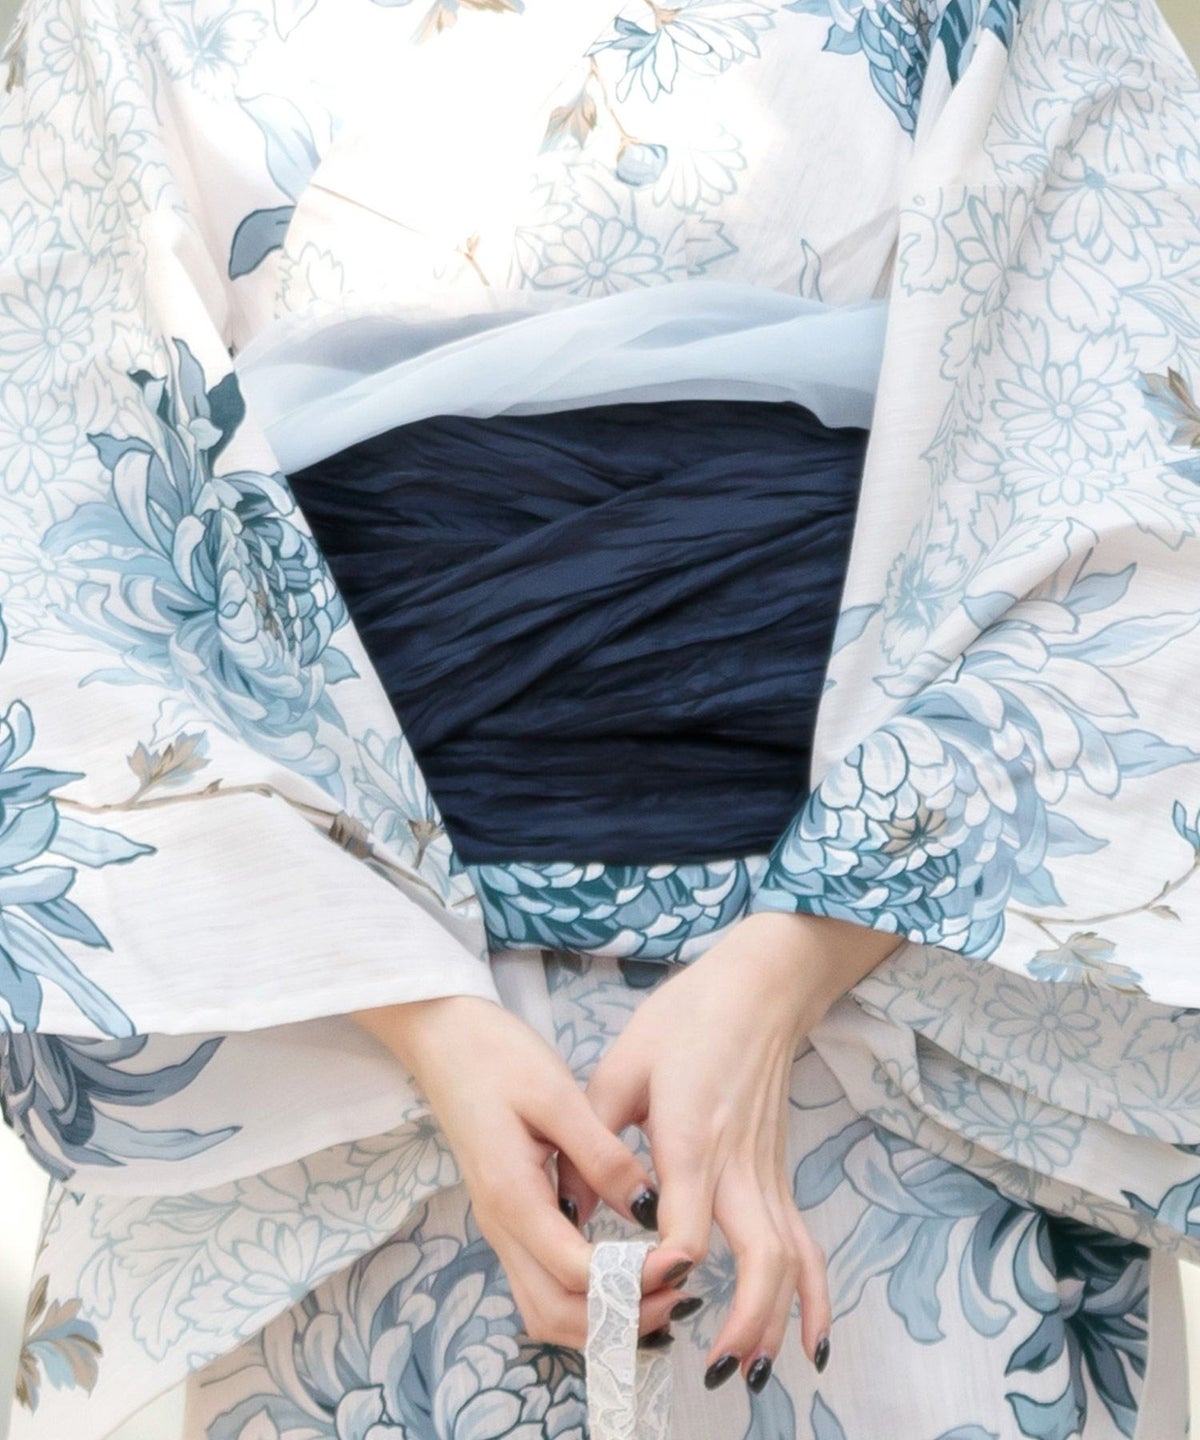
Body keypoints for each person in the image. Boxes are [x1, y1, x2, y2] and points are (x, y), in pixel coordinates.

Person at [1, 0, 1199, 1437]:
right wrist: (433, 1026)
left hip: (884, 998)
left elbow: (1133, 473)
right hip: (373, 1028)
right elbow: (62, 527)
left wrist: (782, 973)